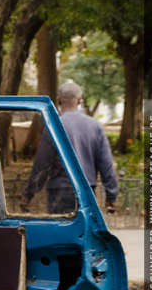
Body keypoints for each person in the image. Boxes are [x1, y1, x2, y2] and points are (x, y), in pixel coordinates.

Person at [20, 81, 118, 215]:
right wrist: (111, 196)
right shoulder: (95, 126)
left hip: (59, 192)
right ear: (79, 101)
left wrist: (28, 194)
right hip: (87, 192)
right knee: (84, 233)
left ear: (58, 100)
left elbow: (42, 164)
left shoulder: (53, 126)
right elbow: (106, 164)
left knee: (61, 233)